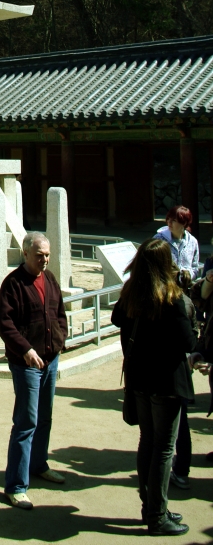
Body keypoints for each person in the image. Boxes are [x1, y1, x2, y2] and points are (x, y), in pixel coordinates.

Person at [112, 237, 197, 536]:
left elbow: (116, 319)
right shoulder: (171, 298)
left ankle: (150, 506)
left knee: (147, 442)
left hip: (139, 380)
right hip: (166, 382)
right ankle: (157, 516)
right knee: (163, 449)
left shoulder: (131, 294)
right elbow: (188, 341)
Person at [0, 231, 68, 510]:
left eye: (47, 255)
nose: (44, 260)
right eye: (39, 255)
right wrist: (25, 349)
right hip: (26, 363)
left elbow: (59, 313)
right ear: (25, 253)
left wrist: (60, 340)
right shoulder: (13, 283)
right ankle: (16, 485)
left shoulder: (50, 279)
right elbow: (5, 323)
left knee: (45, 417)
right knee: (26, 422)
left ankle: (39, 464)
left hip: (50, 359)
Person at [170, 270, 197, 490]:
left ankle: (178, 472)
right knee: (182, 423)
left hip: (173, 371)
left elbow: (189, 339)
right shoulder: (187, 302)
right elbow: (193, 335)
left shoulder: (175, 303)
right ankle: (181, 471)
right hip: (184, 368)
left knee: (175, 427)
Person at [155, 207, 199, 278]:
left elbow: (195, 267)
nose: (169, 222)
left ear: (184, 223)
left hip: (186, 283)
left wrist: (187, 277)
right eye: (168, 219)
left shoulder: (192, 242)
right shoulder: (159, 239)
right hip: (166, 282)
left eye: (174, 220)